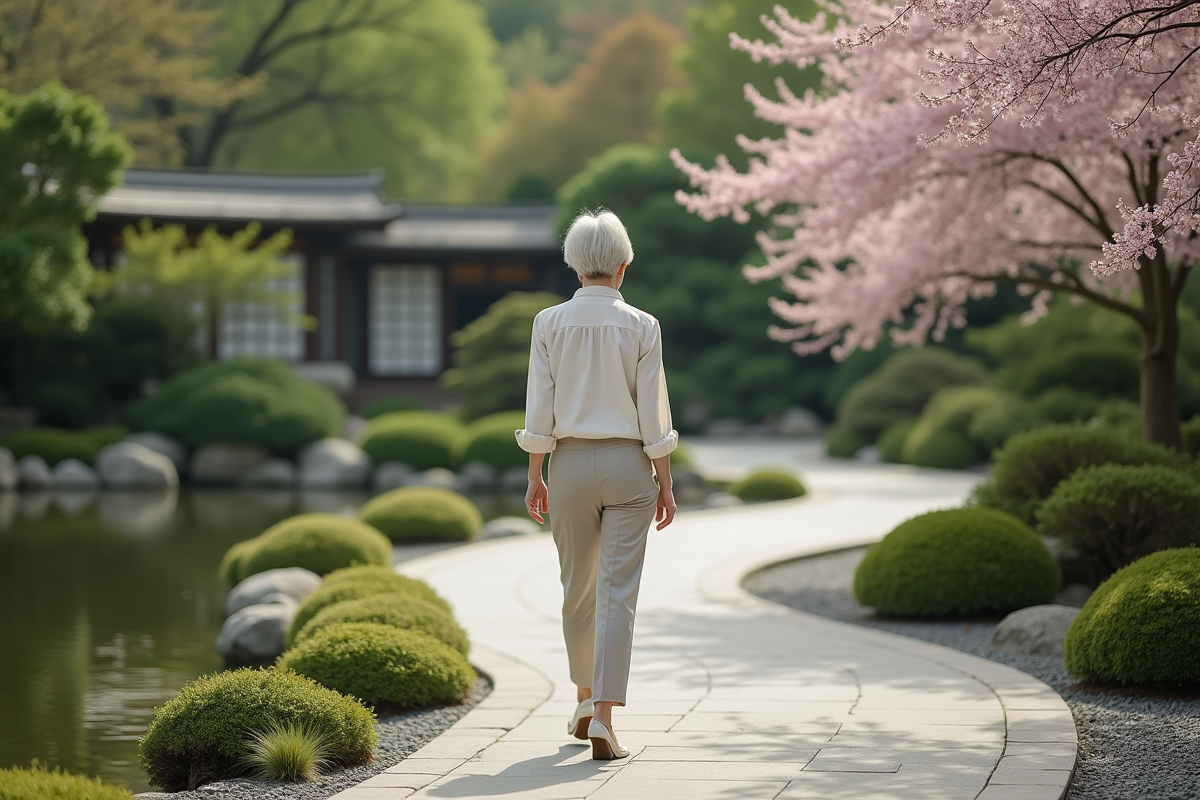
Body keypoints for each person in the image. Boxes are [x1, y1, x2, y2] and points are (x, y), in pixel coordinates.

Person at [515, 209, 678, 761]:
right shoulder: (643, 325)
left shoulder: (547, 323)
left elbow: (540, 407)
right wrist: (666, 482)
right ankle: (605, 716)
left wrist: (535, 473)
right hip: (629, 464)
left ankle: (584, 699)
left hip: (566, 468)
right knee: (616, 594)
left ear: (573, 265)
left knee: (576, 590)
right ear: (623, 267)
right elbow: (654, 415)